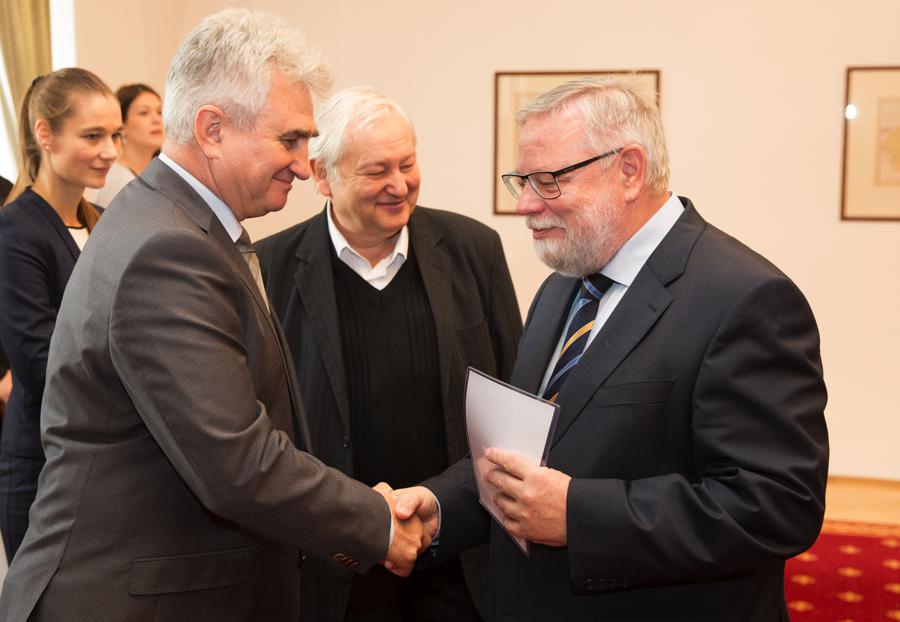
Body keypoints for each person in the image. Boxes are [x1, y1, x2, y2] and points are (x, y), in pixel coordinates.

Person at [0, 10, 429, 621]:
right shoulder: (166, 249)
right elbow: (239, 463)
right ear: (212, 129)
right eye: (290, 140)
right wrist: (377, 522)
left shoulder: (176, 223)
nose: (305, 165)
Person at [394, 76, 829, 621]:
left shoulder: (746, 299)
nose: (525, 205)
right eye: (522, 181)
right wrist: (435, 508)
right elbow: (530, 459)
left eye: (548, 180)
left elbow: (777, 506)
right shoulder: (564, 286)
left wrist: (578, 516)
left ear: (629, 170)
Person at [257, 87, 522, 621]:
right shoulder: (269, 269)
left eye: (408, 163)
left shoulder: (474, 250)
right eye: (377, 171)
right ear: (324, 175)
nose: (399, 185)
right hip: (334, 567)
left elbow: (514, 401)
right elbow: (262, 426)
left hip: (459, 557)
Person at [0, 68, 121, 562]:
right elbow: (39, 361)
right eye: (92, 136)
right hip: (43, 464)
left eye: (114, 135)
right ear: (44, 134)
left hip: (103, 459)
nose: (110, 151)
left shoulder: (106, 223)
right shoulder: (15, 230)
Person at [88, 83, 164, 207]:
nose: (157, 119)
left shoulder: (159, 177)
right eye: (144, 113)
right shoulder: (117, 181)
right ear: (121, 126)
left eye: (159, 112)